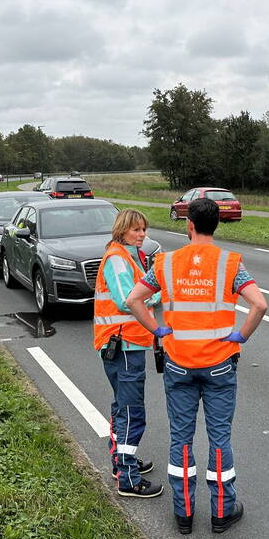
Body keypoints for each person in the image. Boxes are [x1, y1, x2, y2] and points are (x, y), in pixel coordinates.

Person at [127, 197, 268, 535]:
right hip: (219, 363)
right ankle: (221, 512)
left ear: (188, 224)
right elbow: (260, 305)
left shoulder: (165, 263)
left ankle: (184, 513)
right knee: (220, 438)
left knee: (181, 438)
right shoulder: (230, 264)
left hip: (178, 365)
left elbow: (133, 300)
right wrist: (240, 337)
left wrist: (157, 330)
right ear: (216, 225)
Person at [95, 209, 163, 498]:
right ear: (122, 230)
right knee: (132, 411)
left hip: (121, 343)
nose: (142, 235)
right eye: (136, 230)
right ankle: (127, 478)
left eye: (144, 230)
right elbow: (127, 301)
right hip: (124, 344)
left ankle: (120, 462)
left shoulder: (123, 256)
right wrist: (160, 294)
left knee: (122, 405)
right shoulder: (118, 259)